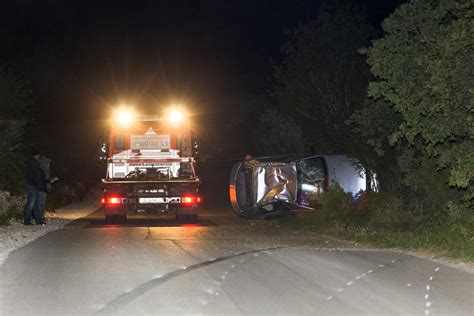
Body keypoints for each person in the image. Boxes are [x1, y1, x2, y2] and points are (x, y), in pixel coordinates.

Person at [24, 149, 43, 225]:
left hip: (31, 184)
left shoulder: (29, 161)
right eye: (39, 155)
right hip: (33, 185)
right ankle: (27, 220)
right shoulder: (34, 162)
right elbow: (35, 174)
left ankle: (38, 220)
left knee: (35, 203)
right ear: (37, 154)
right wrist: (38, 183)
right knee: (31, 203)